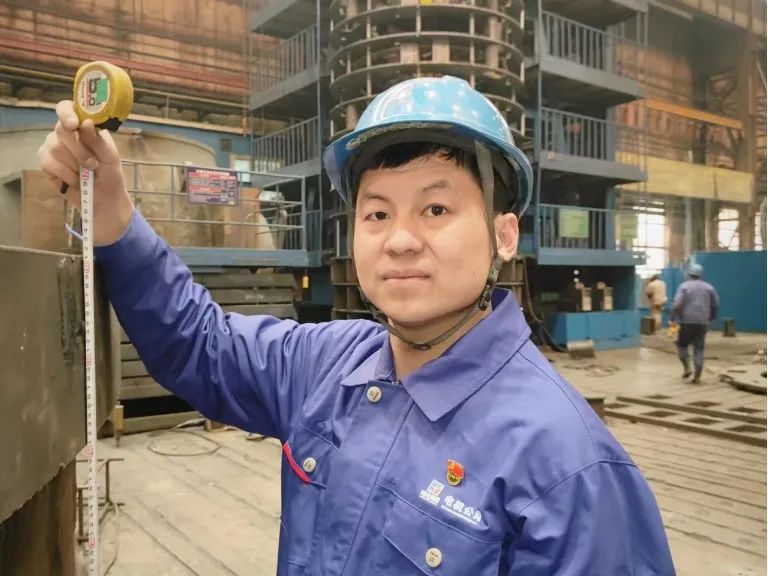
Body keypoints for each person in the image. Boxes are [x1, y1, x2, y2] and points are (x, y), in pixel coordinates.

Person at [38, 76, 675, 575]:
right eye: (377, 214)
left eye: (435, 208)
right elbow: (199, 345)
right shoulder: (327, 364)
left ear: (503, 235)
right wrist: (113, 213)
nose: (400, 240)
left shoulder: (569, 467)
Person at [671, 263, 719, 384]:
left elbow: (677, 304)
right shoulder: (709, 288)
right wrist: (711, 318)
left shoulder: (684, 286)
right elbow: (715, 305)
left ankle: (687, 368)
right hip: (702, 322)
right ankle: (697, 377)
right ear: (701, 275)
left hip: (686, 321)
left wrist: (673, 317)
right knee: (699, 349)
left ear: (689, 274)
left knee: (682, 345)